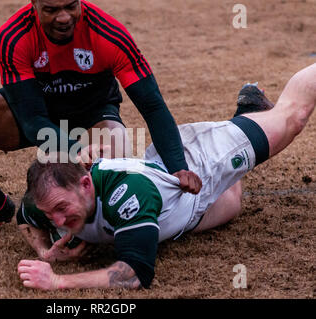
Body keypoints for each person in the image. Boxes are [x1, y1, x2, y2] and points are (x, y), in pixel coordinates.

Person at [16, 63, 316, 290]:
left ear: (85, 183)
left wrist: (58, 281)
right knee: (233, 202)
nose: (56, 221)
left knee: (293, 116)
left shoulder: (128, 195)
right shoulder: (47, 197)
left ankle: (247, 125)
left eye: (61, 209)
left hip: (201, 161)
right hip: (185, 208)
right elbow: (23, 217)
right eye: (48, 213)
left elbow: (135, 274)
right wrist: (43, 249)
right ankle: (249, 114)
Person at [0, 0, 202, 232]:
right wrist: (74, 151)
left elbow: (152, 106)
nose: (63, 17)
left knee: (111, 182)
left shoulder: (109, 34)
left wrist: (177, 166)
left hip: (93, 116)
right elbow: (33, 121)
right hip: (36, 112)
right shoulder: (12, 36)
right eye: (51, 9)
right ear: (34, 4)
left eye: (71, 6)